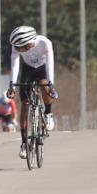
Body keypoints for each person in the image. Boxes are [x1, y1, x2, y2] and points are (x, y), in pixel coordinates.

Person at [7, 25, 58, 159]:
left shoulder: (45, 43)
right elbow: (15, 64)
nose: (17, 50)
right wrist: (12, 85)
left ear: (28, 44)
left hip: (43, 68)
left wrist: (50, 84)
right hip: (28, 70)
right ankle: (24, 143)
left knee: (44, 84)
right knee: (25, 104)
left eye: (19, 48)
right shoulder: (16, 46)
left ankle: (48, 112)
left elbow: (50, 64)